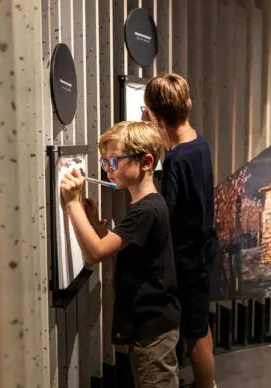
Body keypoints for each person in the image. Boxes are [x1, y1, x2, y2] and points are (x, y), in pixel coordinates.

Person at [60, 121, 181, 388]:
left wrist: (72, 203)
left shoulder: (146, 210)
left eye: (113, 161)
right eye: (105, 162)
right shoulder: (147, 204)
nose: (107, 169)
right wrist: (94, 224)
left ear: (146, 162)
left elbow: (96, 253)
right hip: (152, 326)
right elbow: (106, 245)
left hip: (153, 331)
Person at [143, 73, 218, 388]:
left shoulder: (176, 158)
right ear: (188, 104)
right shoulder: (199, 142)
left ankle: (206, 385)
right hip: (204, 248)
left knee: (193, 332)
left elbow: (167, 209)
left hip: (187, 257)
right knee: (200, 321)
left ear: (156, 116)